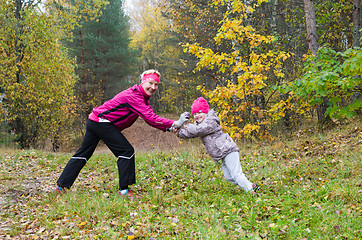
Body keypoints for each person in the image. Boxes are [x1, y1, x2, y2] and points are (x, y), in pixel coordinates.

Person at [56, 69, 189, 197]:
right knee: (126, 151)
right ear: (143, 82)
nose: (153, 87)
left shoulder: (140, 96)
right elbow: (151, 118)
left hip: (95, 120)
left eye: (156, 84)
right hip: (101, 122)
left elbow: (150, 119)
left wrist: (168, 128)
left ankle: (62, 186)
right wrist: (174, 123)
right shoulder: (135, 97)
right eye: (150, 83)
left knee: (84, 153)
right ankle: (124, 190)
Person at [175, 97, 260, 195]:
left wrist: (184, 124)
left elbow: (198, 130)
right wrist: (177, 132)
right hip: (222, 154)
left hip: (228, 150)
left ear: (206, 112)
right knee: (229, 177)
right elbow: (190, 133)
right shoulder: (199, 125)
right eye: (194, 114)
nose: (197, 116)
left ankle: (251, 192)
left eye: (199, 112)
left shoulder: (210, 121)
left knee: (236, 174)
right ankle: (251, 185)